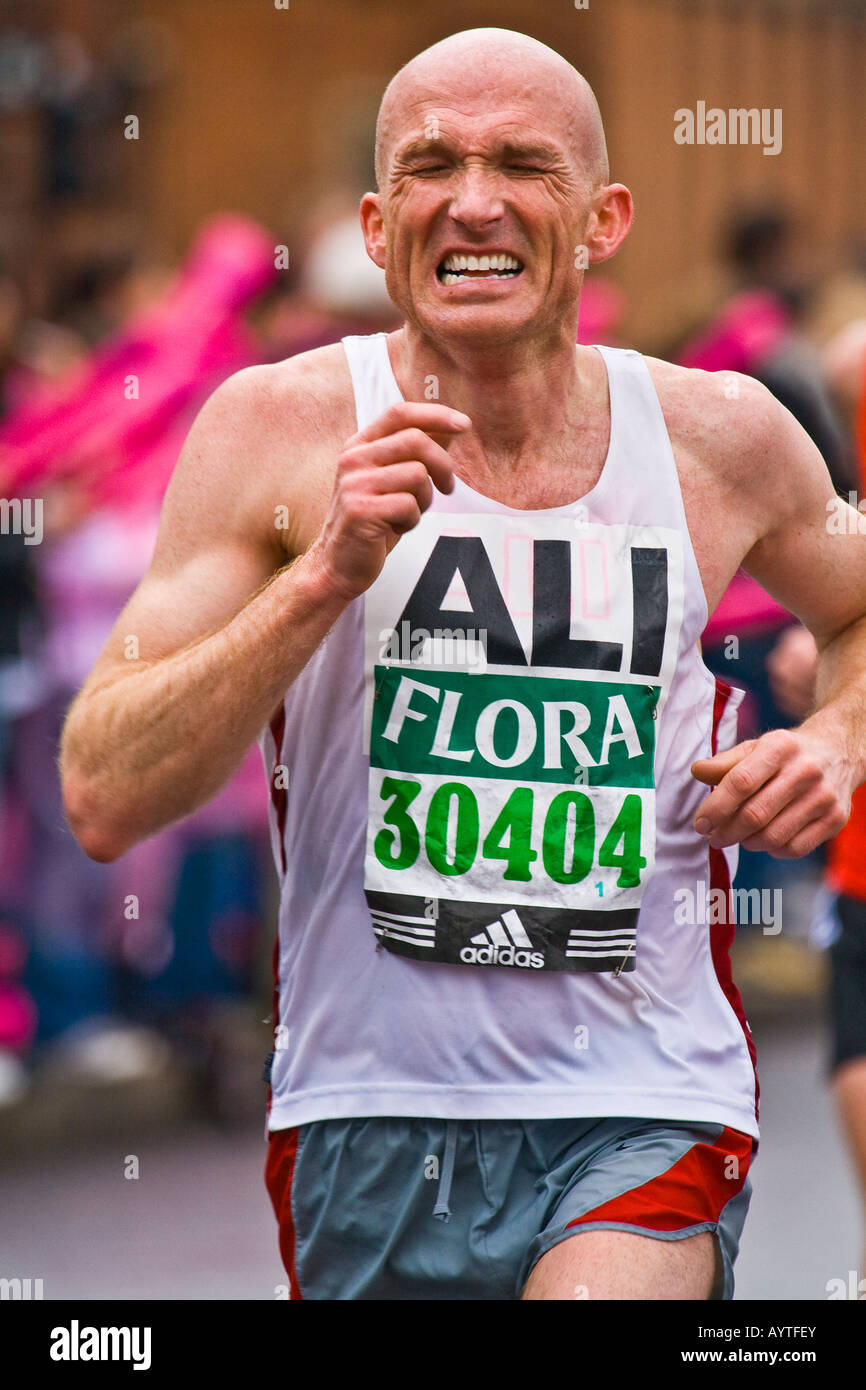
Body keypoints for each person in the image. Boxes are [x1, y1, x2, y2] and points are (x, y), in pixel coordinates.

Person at [59, 28, 866, 1300]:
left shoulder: (720, 436)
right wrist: (321, 576)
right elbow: (105, 792)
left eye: (520, 165)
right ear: (380, 225)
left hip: (644, 1101)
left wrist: (831, 742)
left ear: (601, 220)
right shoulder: (273, 431)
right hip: (359, 1113)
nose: (472, 201)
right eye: (431, 164)